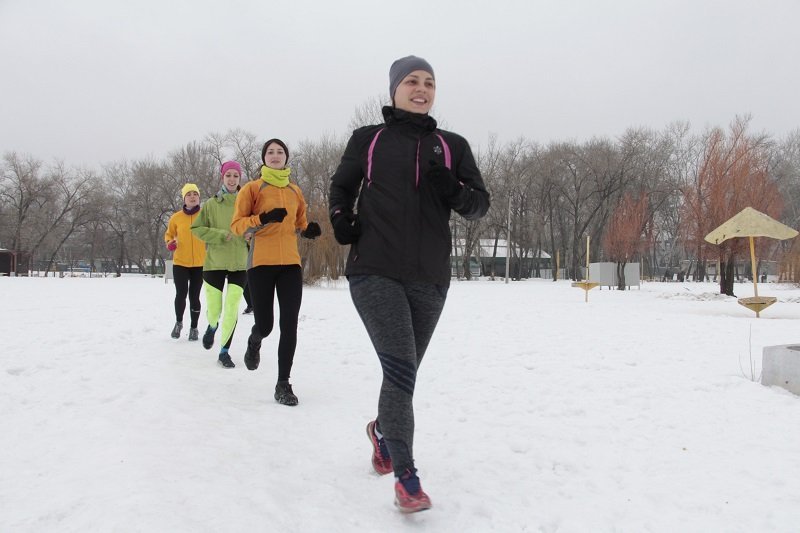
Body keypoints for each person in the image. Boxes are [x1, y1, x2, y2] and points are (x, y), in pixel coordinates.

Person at [328, 55, 490, 513]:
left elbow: (480, 205)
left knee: (404, 372)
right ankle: (406, 475)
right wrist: (342, 219)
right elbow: (340, 188)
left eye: (430, 82)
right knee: (400, 367)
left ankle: (381, 432)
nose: (422, 89)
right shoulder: (369, 139)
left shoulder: (452, 145)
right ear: (395, 89)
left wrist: (453, 191)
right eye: (412, 81)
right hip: (374, 269)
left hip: (430, 276)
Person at [230, 138, 322, 405]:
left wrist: (308, 230)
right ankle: (255, 339)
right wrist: (263, 218)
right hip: (260, 262)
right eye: (270, 152)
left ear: (286, 158)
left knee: (289, 324)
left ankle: (283, 384)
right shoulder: (252, 188)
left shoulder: (295, 191)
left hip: (290, 264)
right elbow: (237, 226)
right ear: (263, 158)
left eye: (280, 151)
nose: (275, 155)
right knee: (267, 325)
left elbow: (300, 221)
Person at [191, 161, 249, 368]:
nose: (232, 179)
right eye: (228, 175)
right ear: (222, 178)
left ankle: (224, 351)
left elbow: (256, 226)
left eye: (236, 175)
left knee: (232, 306)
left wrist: (252, 236)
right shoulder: (210, 204)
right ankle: (212, 326)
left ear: (239, 178)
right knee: (215, 309)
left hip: (239, 262)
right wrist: (218, 235)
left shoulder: (247, 202)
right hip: (214, 262)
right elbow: (196, 228)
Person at [165, 183, 206, 341]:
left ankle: (194, 327)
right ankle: (179, 322)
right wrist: (170, 243)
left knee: (195, 296)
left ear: (198, 197)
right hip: (180, 263)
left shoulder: (204, 216)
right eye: (188, 194)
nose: (192, 197)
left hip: (200, 264)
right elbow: (169, 235)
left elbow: (211, 233)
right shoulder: (176, 218)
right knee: (181, 294)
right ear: (184, 198)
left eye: (195, 194)